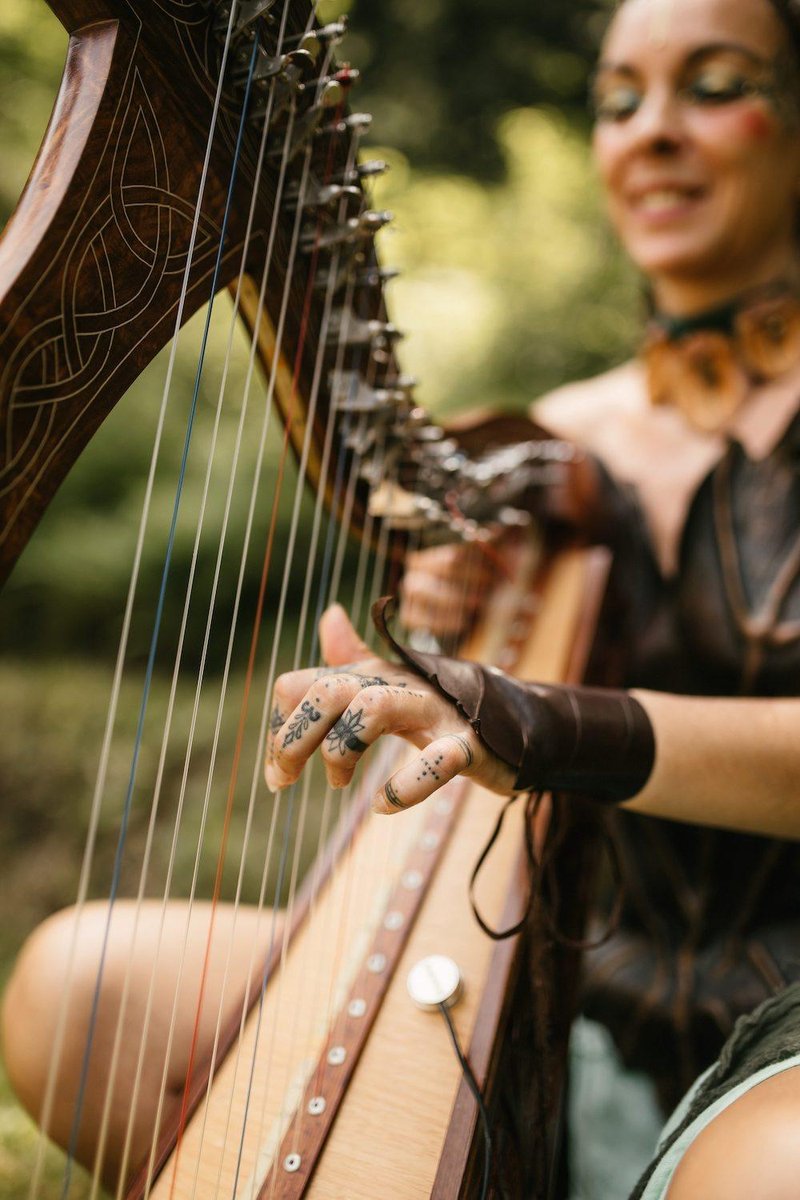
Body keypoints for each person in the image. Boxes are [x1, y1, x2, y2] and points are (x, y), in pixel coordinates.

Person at [4, 0, 800, 1196]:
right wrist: (435, 610)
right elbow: (469, 663)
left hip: (783, 1021)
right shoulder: (552, 445)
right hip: (574, 982)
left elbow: (522, 712)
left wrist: (529, 718)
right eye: (619, 101)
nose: (654, 133)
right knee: (86, 992)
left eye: (714, 83)